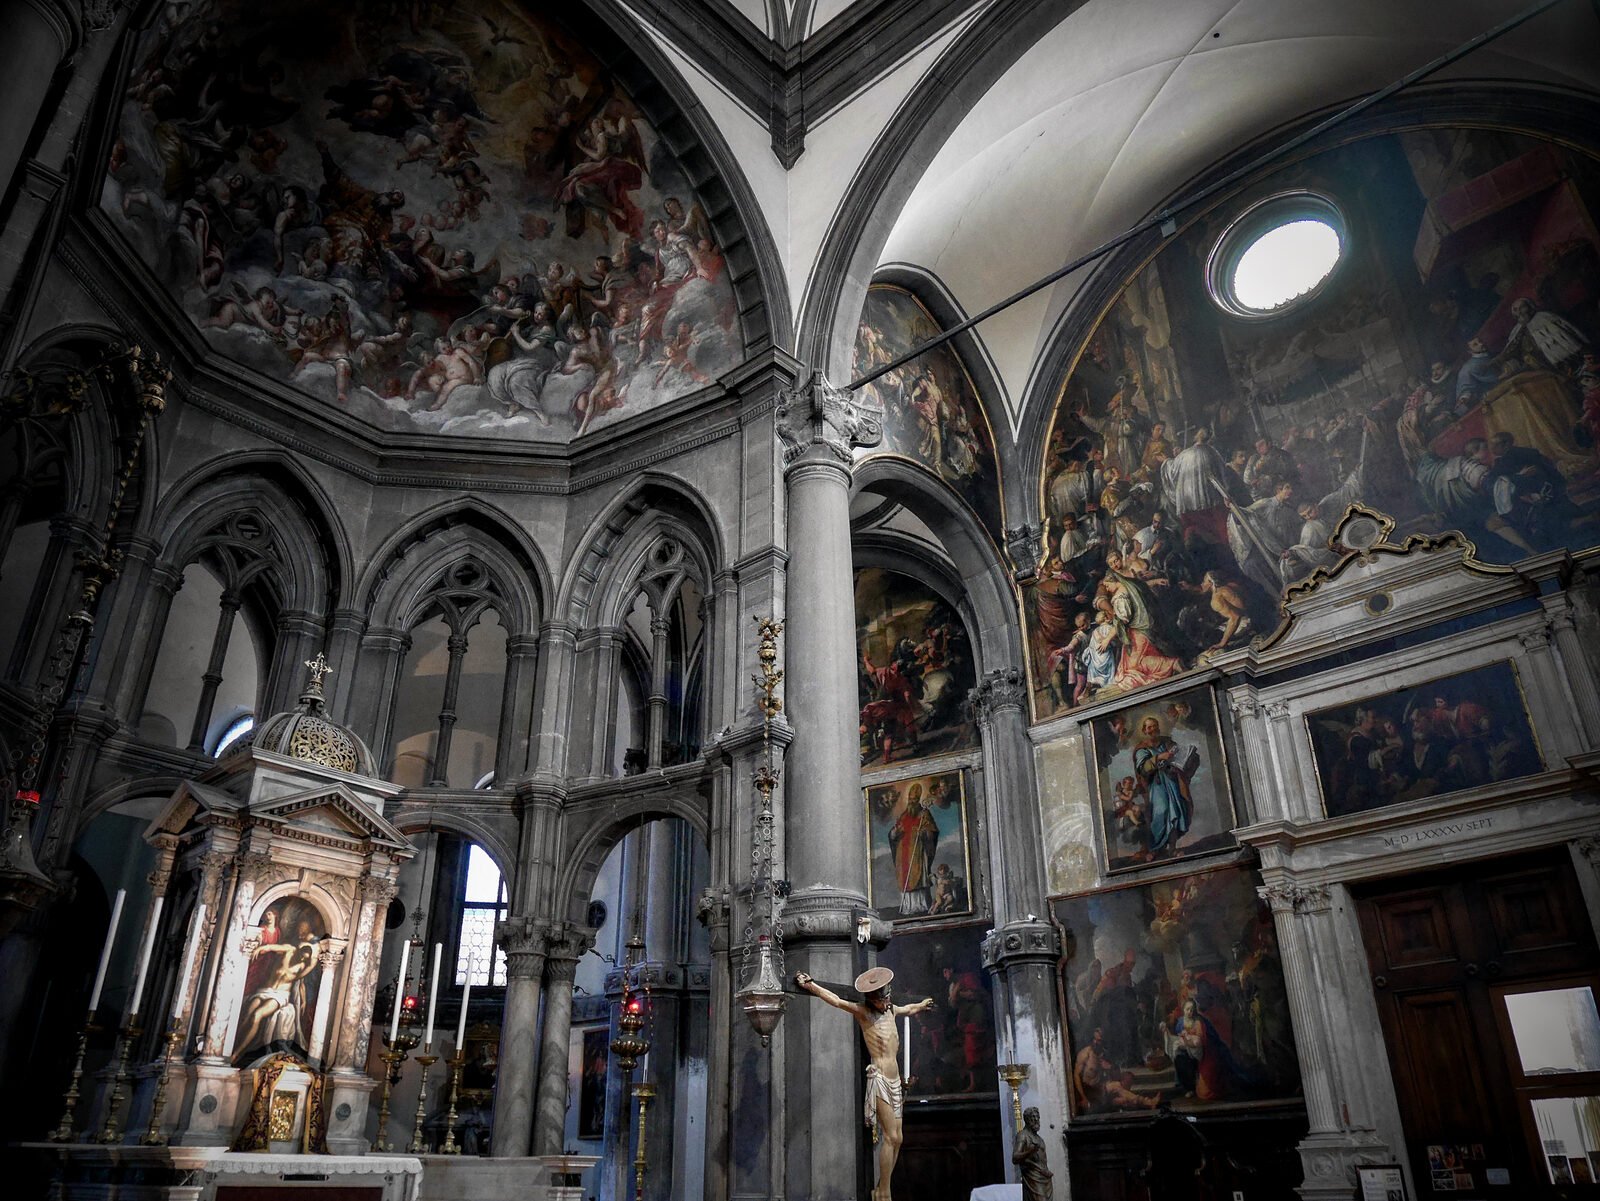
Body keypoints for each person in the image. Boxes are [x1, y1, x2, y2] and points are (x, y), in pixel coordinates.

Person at [793, 968, 934, 1201]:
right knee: (890, 1136)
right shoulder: (863, 1013)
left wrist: (922, 1004)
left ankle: (881, 1185)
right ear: (871, 999)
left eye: (887, 998)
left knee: (898, 1138)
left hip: (895, 1080)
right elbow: (837, 1001)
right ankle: (884, 1192)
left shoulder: (891, 1012)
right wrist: (811, 986)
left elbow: (909, 1008)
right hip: (879, 1079)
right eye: (881, 999)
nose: (886, 1003)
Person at [232, 942, 318, 1063]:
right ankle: (233, 1046)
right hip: (264, 990)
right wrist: (263, 948)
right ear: (298, 951)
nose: (302, 959)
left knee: (257, 1015)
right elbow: (272, 947)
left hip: (280, 996)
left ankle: (237, 1054)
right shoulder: (289, 950)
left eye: (305, 958)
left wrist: (303, 1001)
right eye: (302, 955)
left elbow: (303, 980)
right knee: (247, 1015)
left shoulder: (302, 966)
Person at [1133, 715, 1196, 856]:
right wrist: (1159, 757)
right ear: (1144, 730)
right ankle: (1156, 848)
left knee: (1175, 813)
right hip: (1157, 786)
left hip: (1172, 782)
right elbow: (1142, 769)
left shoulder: (1166, 743)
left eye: (1154, 726)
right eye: (1149, 727)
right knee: (1161, 813)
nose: (1152, 729)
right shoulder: (1142, 750)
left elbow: (1177, 756)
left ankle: (1172, 848)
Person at [889, 783, 940, 915]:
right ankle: (907, 907)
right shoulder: (903, 816)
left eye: (914, 800)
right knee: (904, 876)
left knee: (918, 875)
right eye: (910, 800)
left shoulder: (924, 814)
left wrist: (924, 833)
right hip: (902, 852)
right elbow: (894, 833)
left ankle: (920, 905)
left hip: (917, 851)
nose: (911, 802)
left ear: (918, 800)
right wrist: (894, 833)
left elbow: (932, 832)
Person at [1012, 1106, 1054, 1201]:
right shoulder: (1023, 1135)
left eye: (1037, 1117)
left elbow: (1042, 1160)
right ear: (1027, 1119)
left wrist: (1046, 1171)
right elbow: (1015, 1157)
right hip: (1033, 1178)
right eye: (1033, 1117)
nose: (1036, 1120)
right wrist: (1029, 1151)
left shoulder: (1039, 1139)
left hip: (1044, 1178)